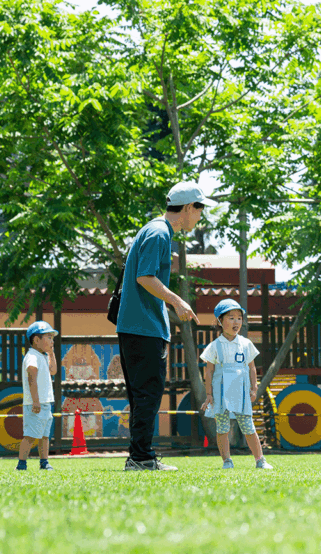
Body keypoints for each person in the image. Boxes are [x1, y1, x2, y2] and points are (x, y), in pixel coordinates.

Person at [116, 180, 213, 472]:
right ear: (186, 208)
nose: (199, 216)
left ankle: (139, 456)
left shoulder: (154, 229)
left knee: (142, 394)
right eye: (199, 210)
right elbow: (145, 277)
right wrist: (177, 302)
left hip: (136, 326)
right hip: (143, 327)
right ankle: (142, 458)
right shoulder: (159, 233)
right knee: (148, 393)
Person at [200, 298, 271, 469]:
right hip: (221, 393)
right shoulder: (214, 346)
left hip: (241, 393)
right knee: (223, 428)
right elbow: (209, 371)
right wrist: (209, 394)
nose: (236, 322)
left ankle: (260, 460)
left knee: (248, 426)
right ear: (220, 321)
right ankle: (227, 460)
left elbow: (252, 368)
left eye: (239, 318)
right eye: (231, 317)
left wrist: (254, 388)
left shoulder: (246, 344)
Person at [17, 321, 59, 471]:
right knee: (30, 435)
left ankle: (44, 462)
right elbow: (31, 377)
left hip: (46, 402)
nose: (52, 340)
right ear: (36, 340)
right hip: (36, 404)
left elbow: (53, 371)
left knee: (44, 436)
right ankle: (21, 464)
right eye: (48, 337)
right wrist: (35, 401)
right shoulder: (32, 356)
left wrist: (52, 353)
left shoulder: (42, 356)